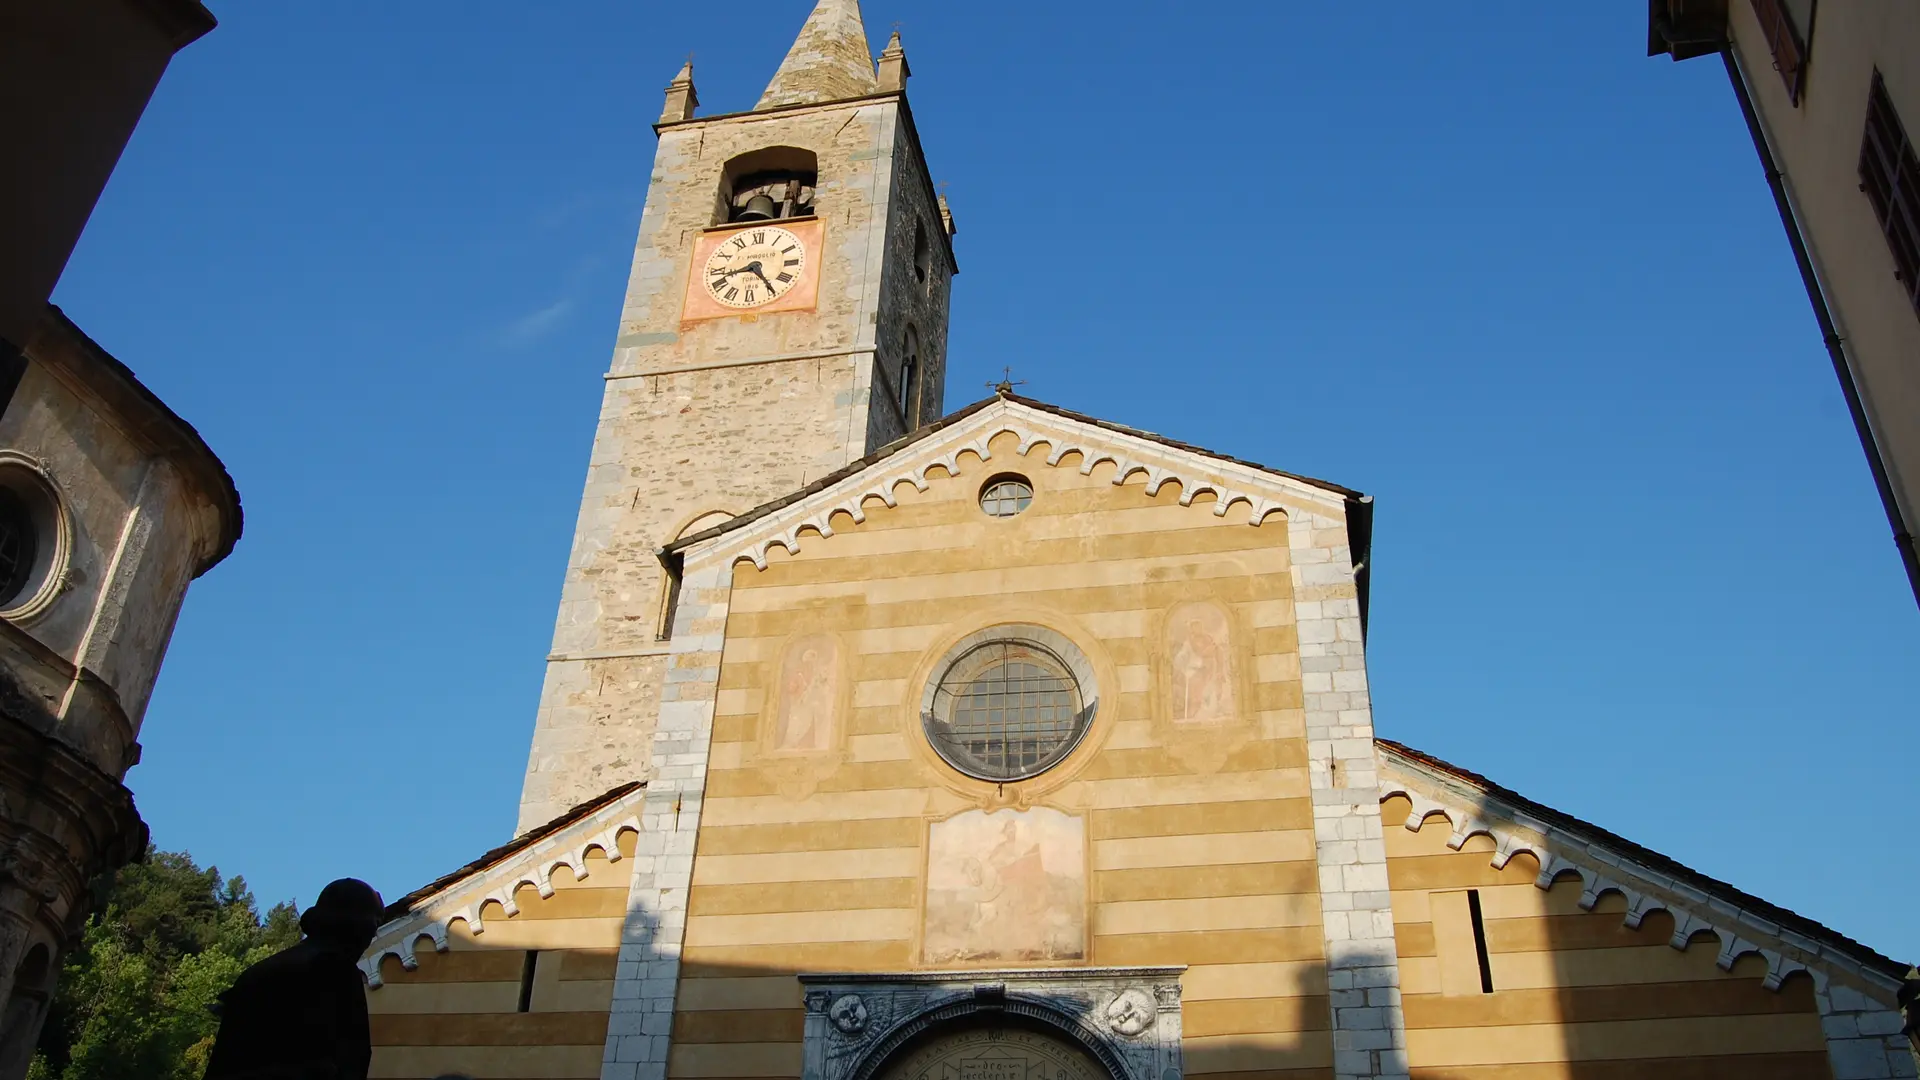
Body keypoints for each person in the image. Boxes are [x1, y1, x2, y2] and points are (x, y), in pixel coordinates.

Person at [202, 877, 385, 1080]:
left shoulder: (257, 973)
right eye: (372, 926)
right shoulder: (334, 970)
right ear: (356, 927)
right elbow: (350, 1060)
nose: (370, 939)